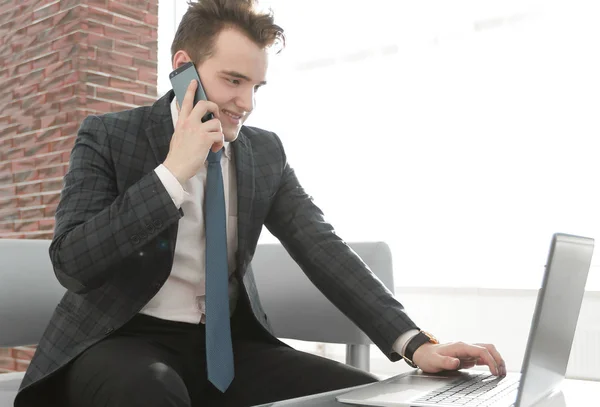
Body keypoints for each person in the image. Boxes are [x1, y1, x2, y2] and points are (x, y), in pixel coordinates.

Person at [15, 1, 506, 406]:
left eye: (256, 86)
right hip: (119, 341)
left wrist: (415, 343)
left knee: (364, 398)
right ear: (184, 68)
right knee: (150, 392)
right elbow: (73, 263)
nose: (246, 103)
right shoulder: (107, 136)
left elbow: (321, 245)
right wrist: (171, 174)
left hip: (226, 348)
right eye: (233, 81)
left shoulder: (263, 152)